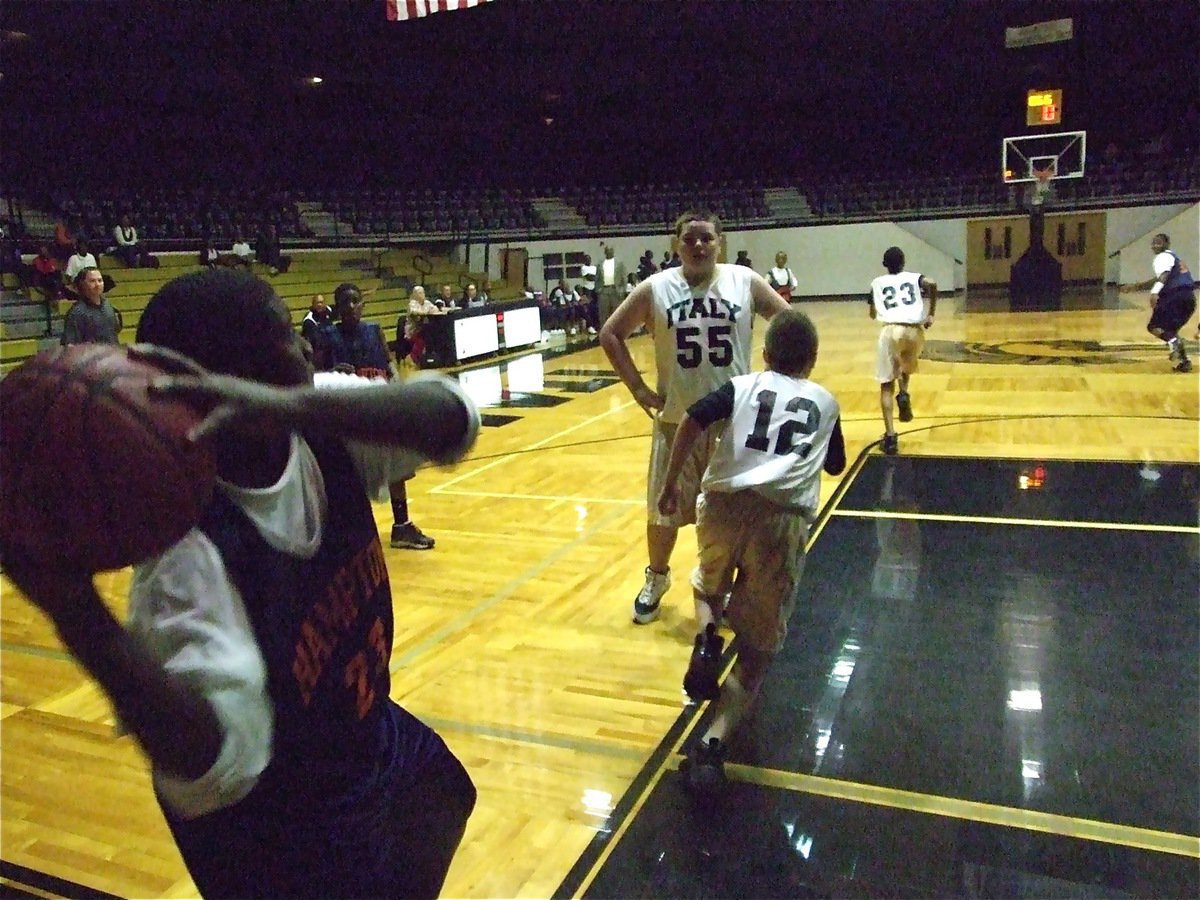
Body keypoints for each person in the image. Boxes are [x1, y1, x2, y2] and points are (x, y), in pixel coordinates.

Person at [1, 266, 480, 898]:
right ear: (234, 372)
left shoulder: (308, 408)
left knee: (443, 791)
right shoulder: (186, 558)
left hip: (362, 743)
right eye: (285, 335)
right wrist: (73, 610)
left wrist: (291, 402)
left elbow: (453, 419)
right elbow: (216, 767)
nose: (306, 347)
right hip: (283, 829)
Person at [657, 308, 845, 790]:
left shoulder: (741, 385)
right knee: (759, 649)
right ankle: (713, 746)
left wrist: (673, 478)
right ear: (814, 359)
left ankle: (705, 640)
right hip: (779, 522)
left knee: (705, 588)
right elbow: (837, 465)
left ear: (763, 355)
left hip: (721, 503)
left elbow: (693, 420)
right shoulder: (824, 401)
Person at [600, 209, 790, 625]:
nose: (698, 245)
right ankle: (657, 577)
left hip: (733, 421)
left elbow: (791, 322)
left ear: (719, 242)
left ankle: (725, 585)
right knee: (663, 510)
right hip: (676, 421)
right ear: (676, 245)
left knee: (733, 513)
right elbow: (610, 334)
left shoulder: (744, 280)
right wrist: (636, 387)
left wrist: (775, 373)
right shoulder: (656, 288)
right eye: (690, 239)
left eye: (706, 238)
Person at [314, 282, 438, 550]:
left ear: (362, 305)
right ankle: (342, 532)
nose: (350, 307)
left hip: (377, 408)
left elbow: (389, 364)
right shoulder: (327, 336)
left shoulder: (374, 331)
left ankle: (402, 526)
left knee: (397, 465)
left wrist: (397, 393)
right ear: (337, 308)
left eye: (354, 301)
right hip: (344, 414)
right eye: (344, 302)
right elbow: (313, 374)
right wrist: (331, 371)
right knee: (343, 476)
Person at [868, 246, 937, 455]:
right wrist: (931, 313)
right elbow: (932, 283)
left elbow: (872, 314)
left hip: (891, 329)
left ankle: (890, 437)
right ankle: (905, 392)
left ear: (885, 265)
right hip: (914, 330)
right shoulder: (914, 277)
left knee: (886, 385)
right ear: (903, 262)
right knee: (906, 365)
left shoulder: (877, 283)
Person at [1121, 233, 1195, 373]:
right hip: (1189, 298)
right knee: (1171, 331)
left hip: (1173, 297)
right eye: (1153, 243)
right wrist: (1137, 287)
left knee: (1154, 326)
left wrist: (1154, 293)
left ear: (1167, 244)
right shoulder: (1174, 258)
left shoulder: (1162, 257)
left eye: (1158, 242)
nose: (1155, 245)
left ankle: (1173, 342)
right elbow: (1161, 277)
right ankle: (1184, 361)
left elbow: (1163, 276)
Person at [60, 267, 121, 345]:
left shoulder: (108, 306)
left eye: (100, 280)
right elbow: (70, 344)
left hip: (111, 354)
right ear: (83, 284)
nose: (97, 284)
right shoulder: (76, 313)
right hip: (90, 356)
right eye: (92, 281)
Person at [404, 284, 446, 366]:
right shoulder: (412, 304)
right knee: (425, 335)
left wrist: (434, 310)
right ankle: (411, 358)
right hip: (413, 330)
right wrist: (426, 312)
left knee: (433, 332)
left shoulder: (427, 303)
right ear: (414, 295)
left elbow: (435, 309)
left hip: (425, 328)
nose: (422, 294)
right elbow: (414, 312)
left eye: (423, 292)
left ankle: (434, 357)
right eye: (419, 293)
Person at [594, 245, 627, 329]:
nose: (609, 251)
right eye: (607, 250)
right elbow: (597, 278)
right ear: (605, 252)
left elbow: (624, 278)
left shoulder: (619, 263)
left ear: (613, 251)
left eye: (611, 250)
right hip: (604, 290)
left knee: (617, 314)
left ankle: (617, 332)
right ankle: (604, 333)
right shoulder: (600, 264)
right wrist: (598, 289)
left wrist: (622, 290)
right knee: (603, 314)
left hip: (615, 290)